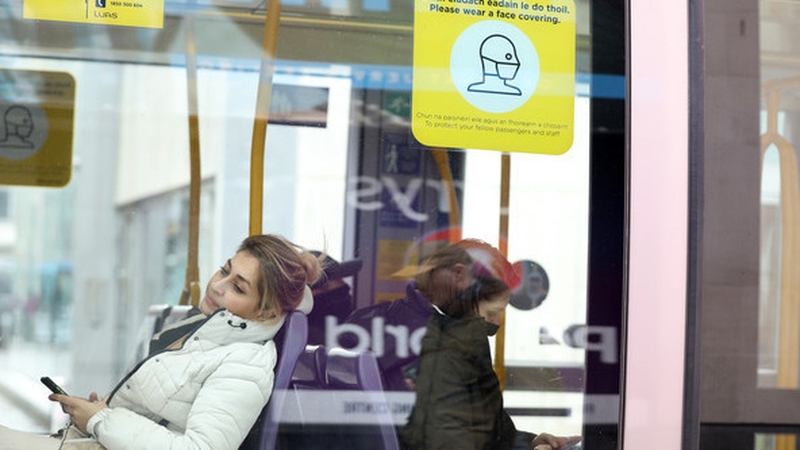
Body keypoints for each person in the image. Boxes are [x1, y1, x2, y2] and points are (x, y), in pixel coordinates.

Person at [0, 234, 323, 450]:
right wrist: (102, 410)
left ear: (266, 311)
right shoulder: (202, 332)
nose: (217, 286)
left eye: (238, 287)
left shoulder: (245, 364)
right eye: (223, 271)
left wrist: (100, 420)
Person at [399, 246, 580, 450]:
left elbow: (484, 426)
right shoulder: (444, 341)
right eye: (492, 311)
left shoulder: (410, 326)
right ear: (459, 276)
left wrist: (528, 442)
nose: (495, 324)